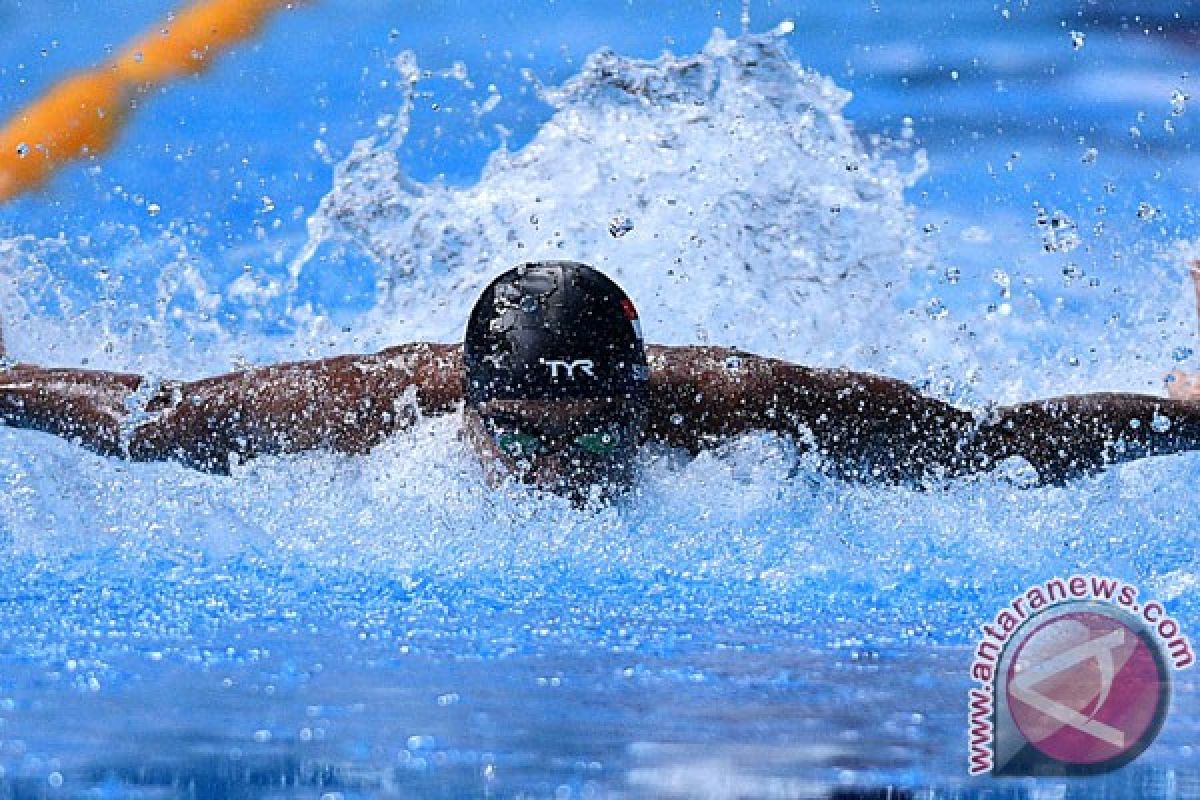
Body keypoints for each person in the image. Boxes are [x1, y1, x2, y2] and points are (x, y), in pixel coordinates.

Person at [2, 260, 1200, 502]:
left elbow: (994, 445)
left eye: (594, 436)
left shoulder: (734, 400)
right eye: (525, 433)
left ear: (642, 399)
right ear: (470, 403)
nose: (559, 470)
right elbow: (154, 422)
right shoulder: (378, 403)